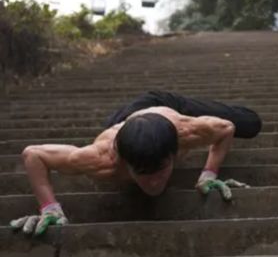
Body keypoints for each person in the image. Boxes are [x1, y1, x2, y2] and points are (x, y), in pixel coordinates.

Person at [9, 90, 262, 236]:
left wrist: (208, 172)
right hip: (126, 119)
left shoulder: (188, 132)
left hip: (167, 106)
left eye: (160, 170)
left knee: (250, 123)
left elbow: (227, 128)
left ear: (175, 154)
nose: (153, 182)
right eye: (142, 173)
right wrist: (49, 207)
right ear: (123, 164)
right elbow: (33, 155)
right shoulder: (101, 159)